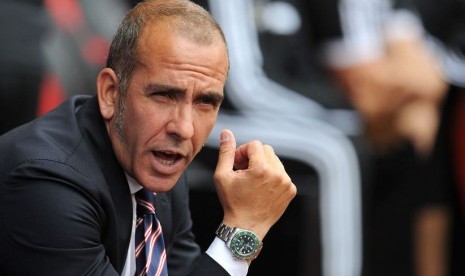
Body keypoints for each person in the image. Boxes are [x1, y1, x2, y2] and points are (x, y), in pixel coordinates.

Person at [0, 0, 297, 275]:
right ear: (110, 94)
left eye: (206, 102)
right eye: (164, 95)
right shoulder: (45, 182)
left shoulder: (156, 164)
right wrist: (243, 228)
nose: (184, 129)